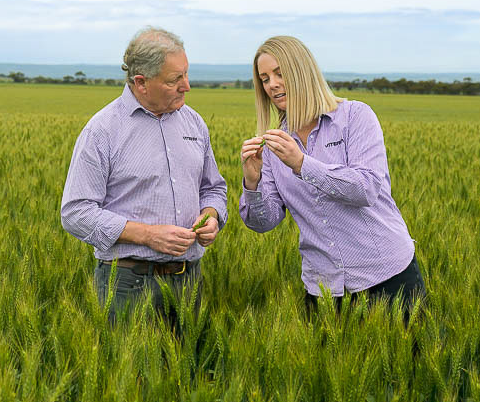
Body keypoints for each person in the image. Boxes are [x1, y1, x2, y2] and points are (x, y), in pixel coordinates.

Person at [238, 35, 424, 318]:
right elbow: (264, 222)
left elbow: (366, 188)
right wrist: (252, 183)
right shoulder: (275, 144)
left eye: (280, 73)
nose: (272, 84)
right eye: (264, 79)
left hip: (387, 277)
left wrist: (302, 164)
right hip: (323, 288)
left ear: (302, 71)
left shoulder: (355, 117)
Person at [61, 27, 228, 325]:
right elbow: (75, 213)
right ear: (141, 82)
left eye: (186, 74)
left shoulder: (194, 123)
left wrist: (212, 216)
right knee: (128, 358)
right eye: (174, 80)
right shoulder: (102, 130)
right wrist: (148, 235)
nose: (187, 86)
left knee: (187, 357)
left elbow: (213, 188)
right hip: (128, 283)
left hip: (189, 280)